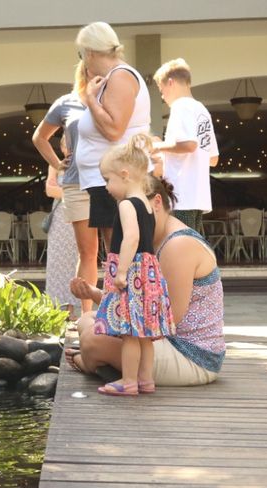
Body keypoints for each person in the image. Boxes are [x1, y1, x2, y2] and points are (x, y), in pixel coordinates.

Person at [67, 175, 225, 388]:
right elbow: (144, 309)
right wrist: (93, 293)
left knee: (93, 341)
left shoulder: (178, 245)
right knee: (87, 320)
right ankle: (101, 364)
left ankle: (88, 362)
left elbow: (167, 320)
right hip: (159, 339)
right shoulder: (153, 241)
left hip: (191, 356)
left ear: (156, 203)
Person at [88, 134, 175, 396]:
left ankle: (128, 381)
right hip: (147, 271)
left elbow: (132, 238)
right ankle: (146, 380)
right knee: (144, 334)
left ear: (125, 174)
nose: (106, 187)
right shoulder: (148, 205)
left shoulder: (126, 204)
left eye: (108, 180)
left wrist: (121, 271)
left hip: (132, 272)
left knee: (129, 333)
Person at [74, 21, 151, 254]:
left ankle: (123, 289)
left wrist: (89, 99)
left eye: (81, 54)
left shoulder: (120, 76)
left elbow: (114, 129)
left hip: (116, 177)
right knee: (115, 250)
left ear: (89, 52)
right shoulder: (114, 76)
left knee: (118, 251)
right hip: (108, 177)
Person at [32, 62, 97, 314]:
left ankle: (113, 311)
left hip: (107, 181)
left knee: (114, 250)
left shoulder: (110, 98)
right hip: (76, 184)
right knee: (87, 253)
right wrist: (58, 164)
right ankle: (87, 315)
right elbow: (39, 137)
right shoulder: (66, 102)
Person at [152, 58, 219, 231]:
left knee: (179, 246)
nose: (162, 96)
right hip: (199, 195)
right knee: (193, 246)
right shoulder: (202, 110)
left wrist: (159, 146)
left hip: (181, 193)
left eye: (162, 90)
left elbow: (189, 145)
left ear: (171, 83)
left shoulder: (180, 106)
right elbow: (213, 158)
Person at [41, 135, 81, 319]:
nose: (68, 148)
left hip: (78, 215)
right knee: (57, 260)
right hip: (60, 216)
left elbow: (87, 190)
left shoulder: (83, 164)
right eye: (66, 144)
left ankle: (73, 308)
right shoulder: (55, 165)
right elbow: (49, 190)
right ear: (62, 147)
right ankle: (57, 308)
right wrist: (73, 192)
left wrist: (64, 192)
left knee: (75, 260)